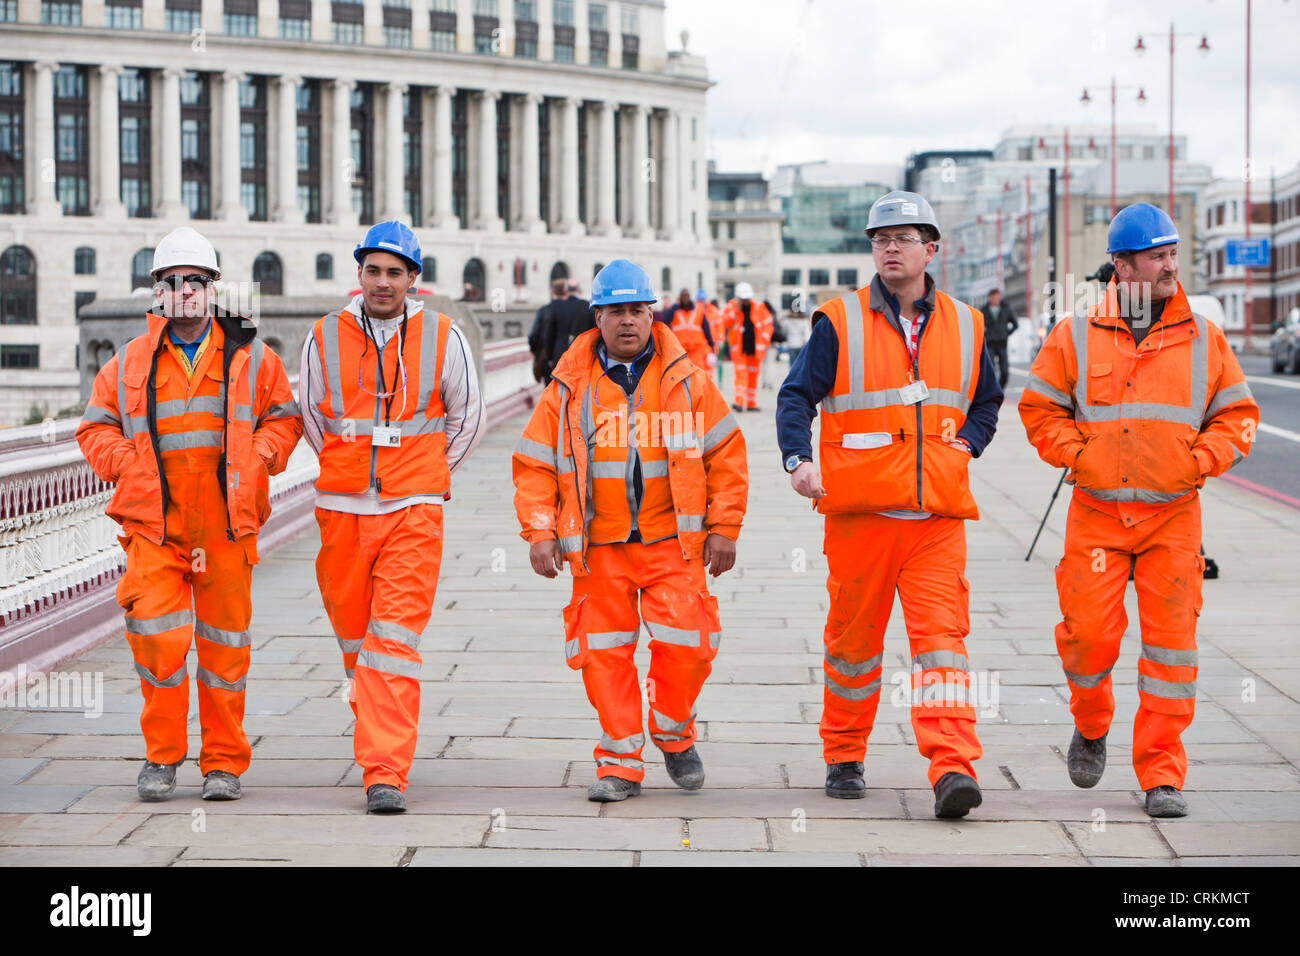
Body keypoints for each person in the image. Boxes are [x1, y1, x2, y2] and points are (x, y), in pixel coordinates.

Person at [1018, 203, 1258, 818]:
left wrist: (1200, 461)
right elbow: (1039, 408)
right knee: (1087, 640)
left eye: (1174, 253)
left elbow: (1237, 415)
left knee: (1171, 650)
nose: (1171, 266)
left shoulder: (1203, 337)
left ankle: (1161, 775)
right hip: (1096, 513)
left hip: (1173, 519)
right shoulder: (1074, 334)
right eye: (1158, 256)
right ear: (1123, 268)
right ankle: (1092, 725)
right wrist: (1080, 456)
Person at [776, 190, 1004, 818]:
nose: (891, 248)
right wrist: (799, 461)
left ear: (931, 249)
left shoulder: (965, 322)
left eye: (904, 238)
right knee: (853, 647)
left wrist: (966, 446)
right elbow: (794, 396)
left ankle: (952, 767)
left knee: (943, 647)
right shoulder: (839, 321)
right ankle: (845, 755)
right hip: (860, 518)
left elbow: (987, 401)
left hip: (936, 521)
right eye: (881, 239)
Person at [76, 226, 302, 803]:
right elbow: (94, 427)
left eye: (194, 282)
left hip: (226, 525)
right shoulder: (129, 361)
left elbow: (286, 418)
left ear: (212, 287)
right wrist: (125, 463)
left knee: (225, 650)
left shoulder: (253, 358)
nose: (183, 292)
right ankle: (162, 758)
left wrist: (261, 456)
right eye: (172, 282)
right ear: (157, 290)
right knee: (157, 641)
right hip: (155, 525)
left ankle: (222, 764)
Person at [512, 259, 748, 803]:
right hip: (600, 549)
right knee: (603, 655)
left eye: (637, 310)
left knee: (690, 647)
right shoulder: (569, 387)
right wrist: (541, 530)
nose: (627, 321)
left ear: (651, 314)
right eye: (615, 311)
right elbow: (534, 462)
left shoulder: (688, 381)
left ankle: (672, 731)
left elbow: (727, 455)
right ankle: (619, 762)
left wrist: (724, 526)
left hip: (675, 542)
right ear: (597, 316)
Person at [300, 220, 485, 814]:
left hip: (413, 511)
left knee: (392, 642)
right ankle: (379, 738)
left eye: (395, 272)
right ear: (359, 274)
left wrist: (427, 475)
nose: (383, 282)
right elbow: (310, 418)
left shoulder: (443, 335)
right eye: (373, 270)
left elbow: (467, 418)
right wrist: (351, 469)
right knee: (357, 646)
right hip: (342, 512)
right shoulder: (323, 335)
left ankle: (385, 771)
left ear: (413, 279)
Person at [722, 282, 774, 412]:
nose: (745, 301)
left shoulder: (759, 307)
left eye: (746, 299)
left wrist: (765, 340)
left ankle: (751, 403)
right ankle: (738, 402)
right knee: (740, 375)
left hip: (755, 348)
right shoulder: (731, 307)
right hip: (738, 349)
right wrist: (736, 310)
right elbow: (726, 322)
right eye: (742, 299)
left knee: (753, 375)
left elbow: (768, 325)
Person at [541, 278, 595, 375]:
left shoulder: (556, 308)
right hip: (583, 357)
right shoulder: (588, 307)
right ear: (580, 291)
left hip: (560, 357)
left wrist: (549, 357)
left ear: (565, 291)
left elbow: (549, 335)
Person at [668, 286, 716, 371]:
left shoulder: (698, 310)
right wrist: (675, 306)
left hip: (696, 350)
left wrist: (711, 345)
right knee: (682, 374)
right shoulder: (675, 310)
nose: (685, 297)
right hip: (680, 351)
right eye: (683, 295)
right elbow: (665, 319)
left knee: (697, 374)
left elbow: (706, 329)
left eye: (687, 295)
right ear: (680, 297)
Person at [529, 279, 566, 383]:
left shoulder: (543, 311)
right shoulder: (571, 311)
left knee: (549, 391)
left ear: (552, 291)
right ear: (566, 291)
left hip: (547, 360)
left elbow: (533, 336)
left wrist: (537, 353)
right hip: (567, 360)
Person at [983, 289, 1017, 387]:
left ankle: (1000, 388)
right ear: (989, 298)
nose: (995, 299)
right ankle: (993, 389)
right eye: (993, 297)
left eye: (997, 297)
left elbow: (1015, 324)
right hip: (990, 343)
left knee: (1005, 370)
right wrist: (986, 335)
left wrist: (1006, 333)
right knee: (990, 369)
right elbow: (978, 326)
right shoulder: (984, 310)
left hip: (1002, 343)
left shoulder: (1006, 308)